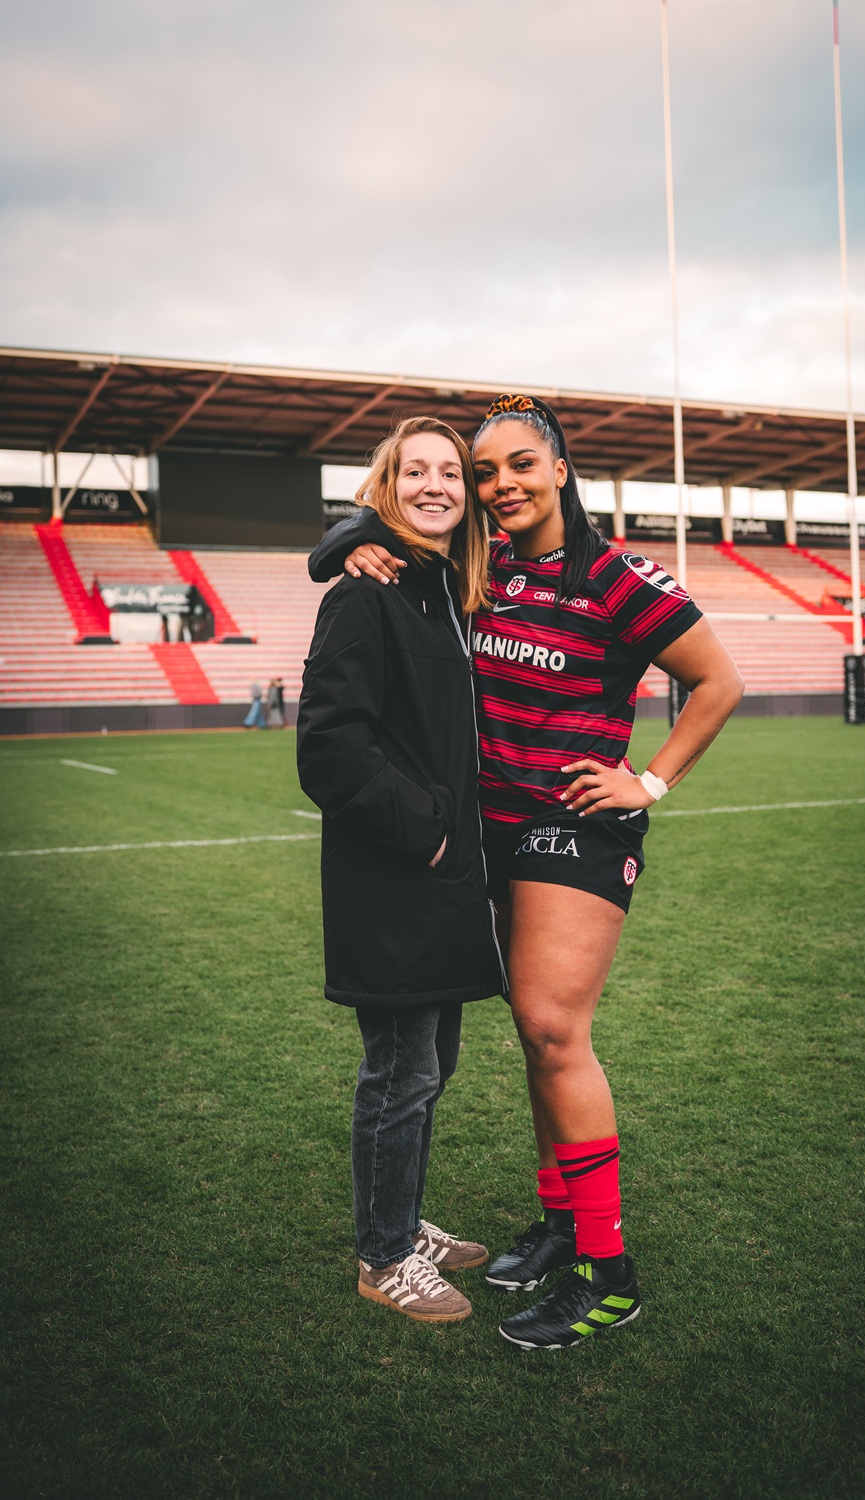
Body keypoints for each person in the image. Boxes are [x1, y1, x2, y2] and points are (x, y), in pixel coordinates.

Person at [332, 394, 744, 1350]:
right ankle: (562, 1226)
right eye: (486, 472)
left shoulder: (617, 576)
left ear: (561, 468)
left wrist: (648, 781)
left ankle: (609, 1271)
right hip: (493, 832)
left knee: (557, 1030)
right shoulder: (481, 564)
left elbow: (717, 682)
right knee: (533, 1036)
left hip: (574, 830)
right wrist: (348, 547)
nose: (499, 484)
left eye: (520, 464)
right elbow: (391, 515)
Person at [298, 416, 505, 1325]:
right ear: (387, 485)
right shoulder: (364, 590)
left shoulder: (439, 592)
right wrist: (426, 830)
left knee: (433, 1065)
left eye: (450, 473)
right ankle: (384, 1257)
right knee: (399, 1071)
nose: (435, 486)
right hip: (397, 874)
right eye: (414, 471)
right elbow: (329, 751)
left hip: (448, 877)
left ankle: (404, 1219)